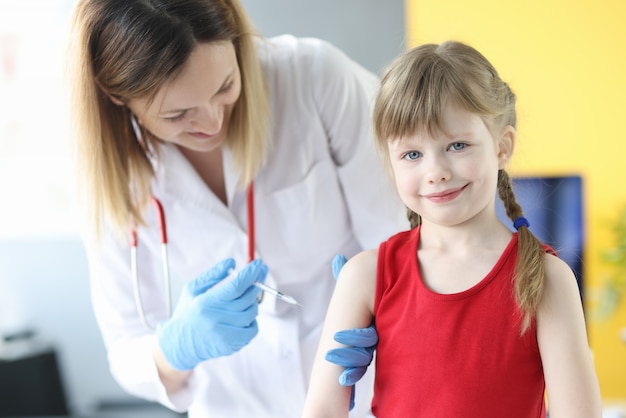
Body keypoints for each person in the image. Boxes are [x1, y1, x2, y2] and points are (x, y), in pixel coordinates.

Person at [66, 0, 407, 416]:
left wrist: (390, 312)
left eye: (225, 86)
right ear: (116, 96)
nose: (211, 123)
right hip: (234, 403)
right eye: (178, 114)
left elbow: (408, 241)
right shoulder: (111, 174)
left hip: (366, 387)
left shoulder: (313, 78)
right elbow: (125, 348)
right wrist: (177, 348)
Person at [302, 40, 602, 418]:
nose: (435, 171)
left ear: (501, 147)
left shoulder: (546, 279)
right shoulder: (363, 277)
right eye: (412, 154)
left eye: (457, 145)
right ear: (390, 162)